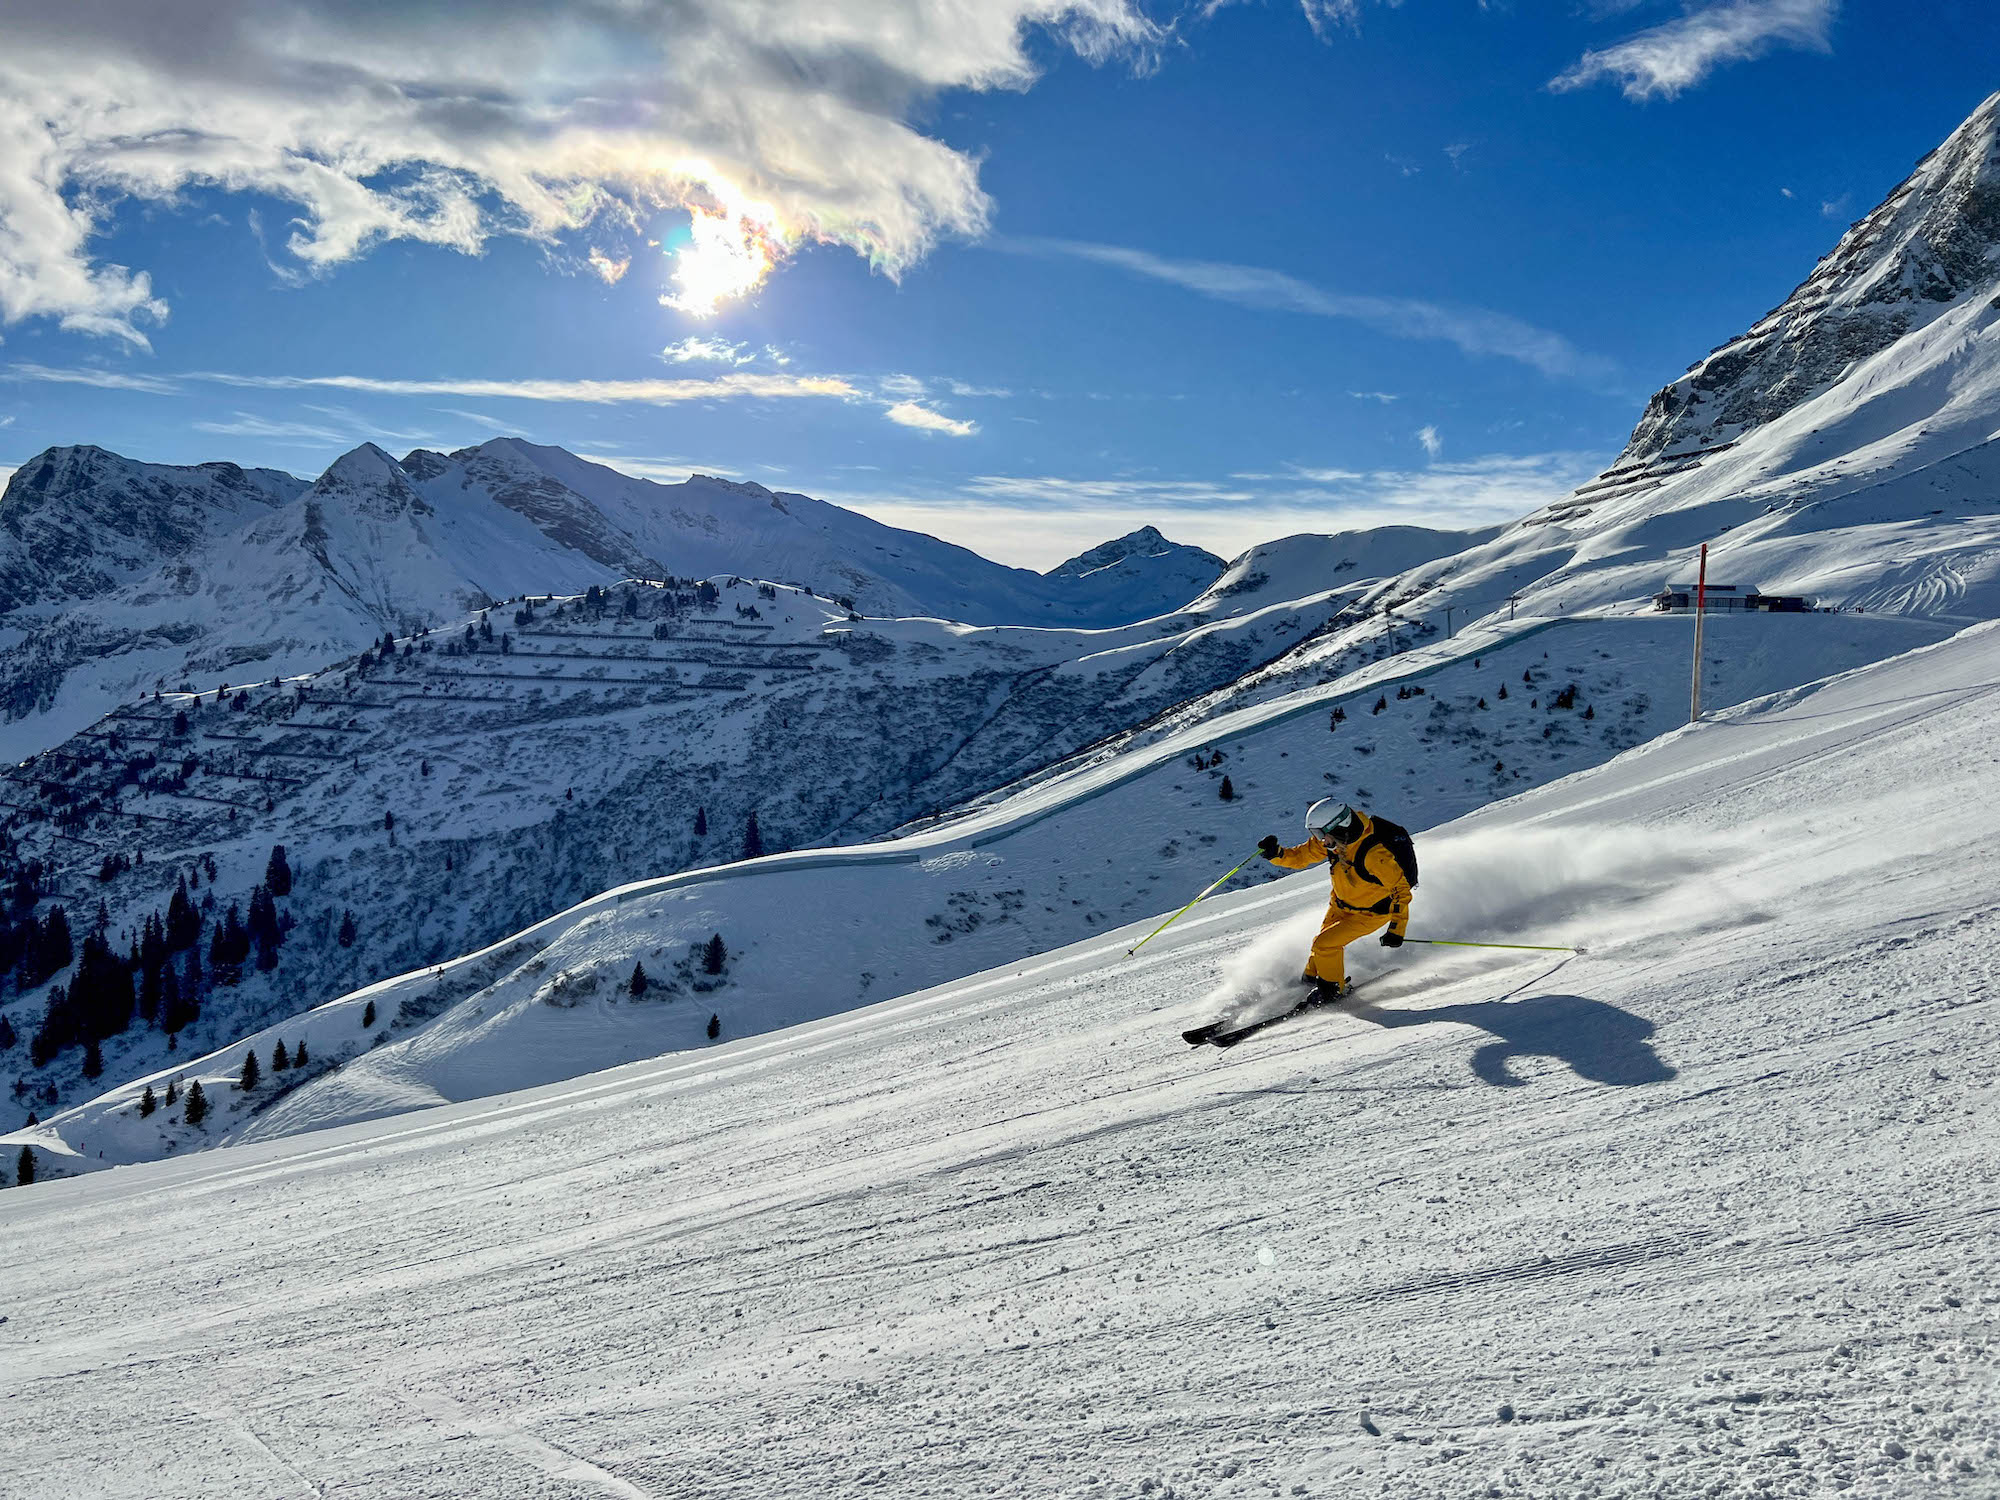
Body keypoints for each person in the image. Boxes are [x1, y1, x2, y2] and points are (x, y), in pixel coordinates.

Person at [1257, 799, 1412, 1004]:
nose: (1320, 840)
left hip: (1370, 914)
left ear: (1339, 826)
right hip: (1340, 905)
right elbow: (1300, 857)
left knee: (1325, 945)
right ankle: (1311, 981)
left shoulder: (1374, 855)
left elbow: (1401, 890)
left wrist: (1397, 930)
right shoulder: (1336, 842)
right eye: (1316, 835)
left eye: (1321, 834)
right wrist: (1276, 854)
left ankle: (1332, 991)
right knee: (1319, 945)